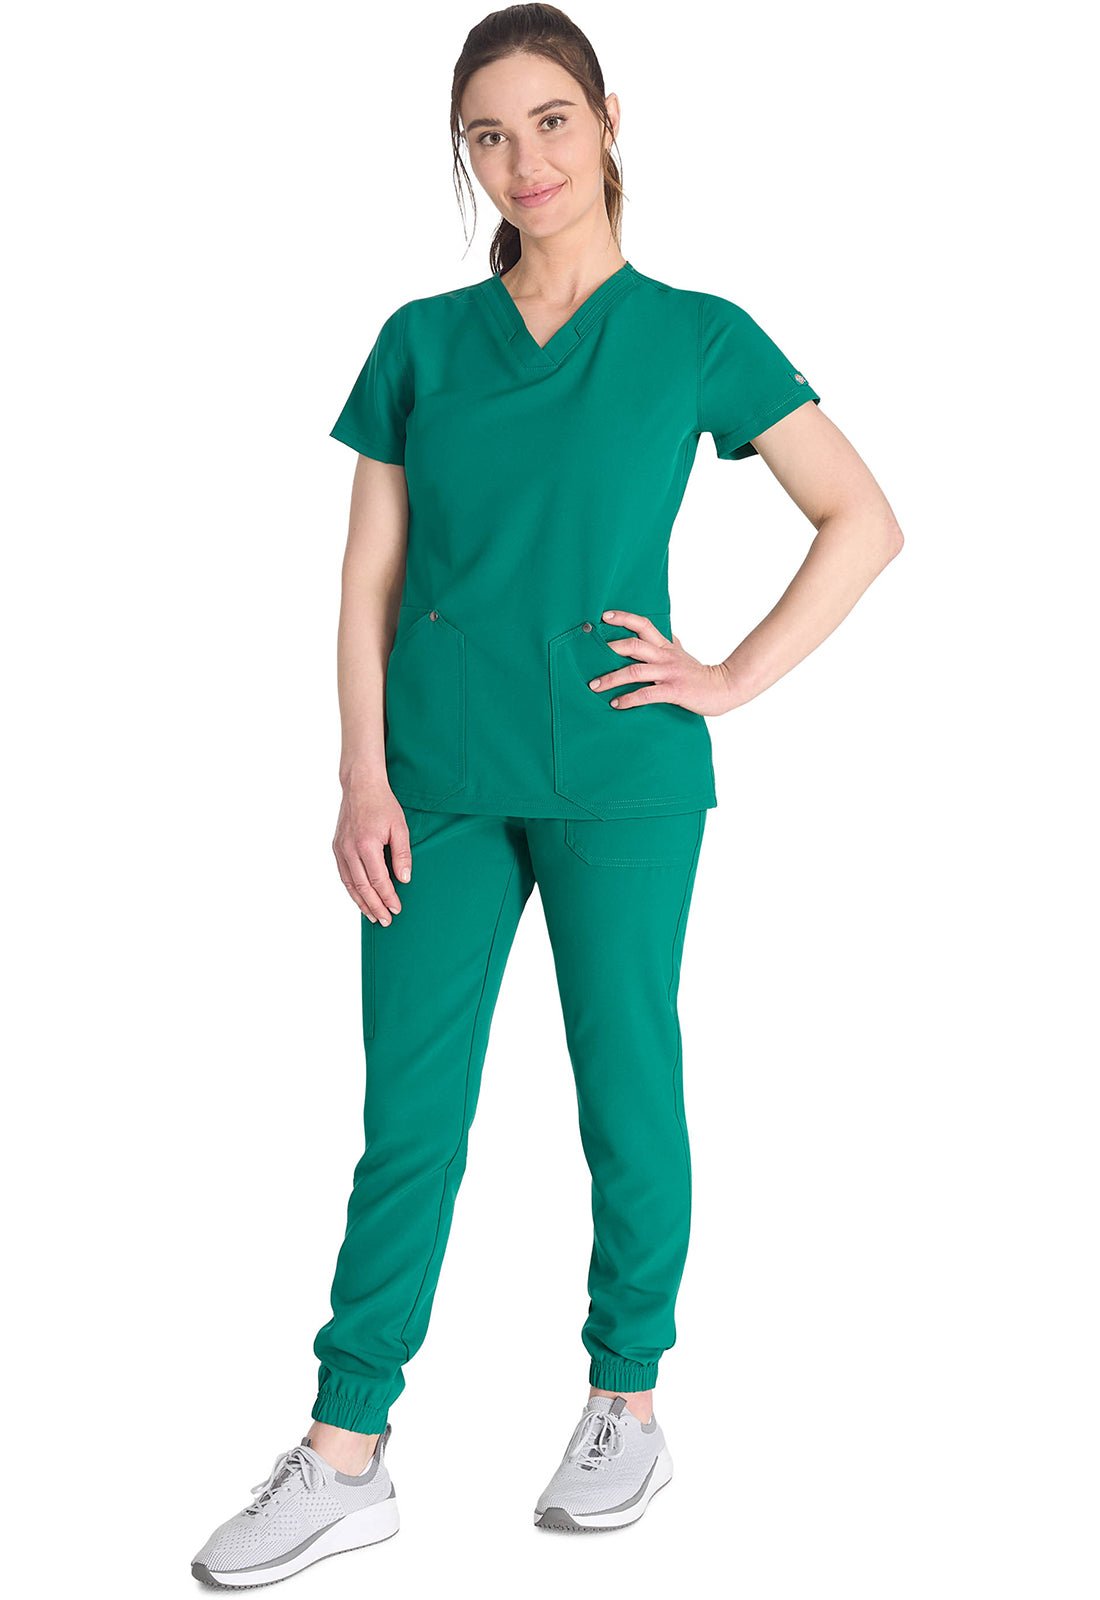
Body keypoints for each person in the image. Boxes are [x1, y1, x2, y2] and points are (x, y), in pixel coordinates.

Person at [192, 4, 903, 1584]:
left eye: (550, 121)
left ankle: (625, 1402)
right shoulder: (420, 342)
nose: (524, 160)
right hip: (434, 781)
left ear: (608, 119)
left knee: (625, 1083)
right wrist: (359, 772)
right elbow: (369, 575)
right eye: (489, 136)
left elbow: (862, 517)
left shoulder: (696, 336)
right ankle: (345, 1449)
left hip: (619, 773)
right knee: (409, 1118)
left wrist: (729, 675)